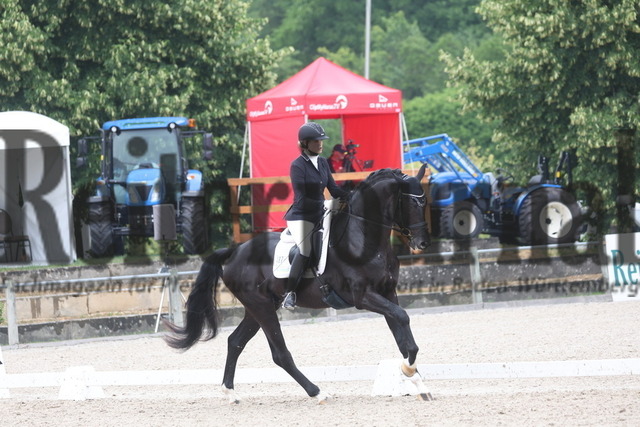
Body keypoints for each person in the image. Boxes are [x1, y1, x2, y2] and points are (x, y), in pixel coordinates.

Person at [282, 122, 349, 310]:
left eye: (321, 140)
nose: (320, 144)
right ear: (305, 143)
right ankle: (290, 293)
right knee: (305, 249)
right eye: (316, 141)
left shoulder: (323, 162)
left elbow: (334, 189)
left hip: (320, 212)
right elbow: (302, 197)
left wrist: (353, 195)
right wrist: (324, 205)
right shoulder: (297, 166)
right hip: (301, 216)